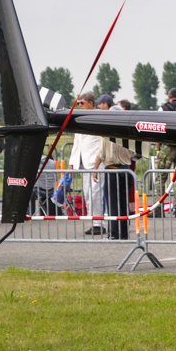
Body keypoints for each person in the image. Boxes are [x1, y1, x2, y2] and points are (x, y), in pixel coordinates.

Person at [67, 92, 104, 234]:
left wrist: (97, 164)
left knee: (96, 193)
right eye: (78, 104)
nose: (79, 106)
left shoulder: (98, 118)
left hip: (95, 162)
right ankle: (94, 221)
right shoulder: (79, 119)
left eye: (82, 103)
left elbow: (102, 143)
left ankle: (99, 223)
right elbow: (77, 143)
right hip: (83, 162)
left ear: (91, 103)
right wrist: (71, 163)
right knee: (88, 194)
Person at [97, 104, 135, 240]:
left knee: (113, 203)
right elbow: (134, 153)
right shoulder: (127, 132)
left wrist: (95, 170)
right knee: (123, 204)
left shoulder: (106, 133)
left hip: (112, 170)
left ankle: (113, 234)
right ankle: (123, 234)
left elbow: (100, 153)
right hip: (126, 170)